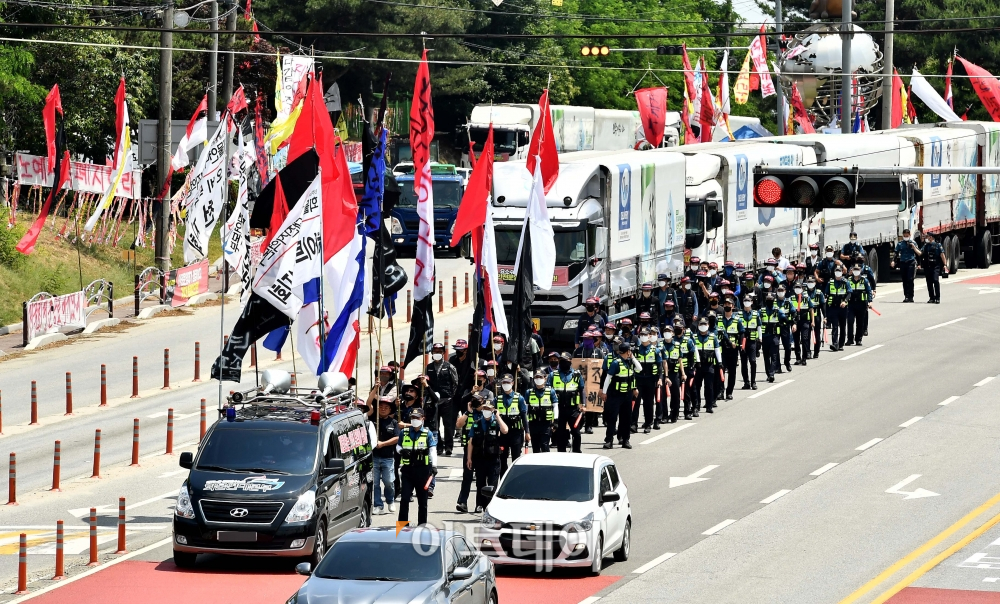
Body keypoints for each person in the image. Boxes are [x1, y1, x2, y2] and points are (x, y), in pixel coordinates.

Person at [396, 407, 437, 526]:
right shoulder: (404, 432)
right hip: (408, 471)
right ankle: (403, 526)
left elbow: (433, 450)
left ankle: (422, 525)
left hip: (422, 471)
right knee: (404, 498)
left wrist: (434, 466)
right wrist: (402, 451)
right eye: (413, 418)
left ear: (422, 419)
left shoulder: (427, 433)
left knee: (422, 501)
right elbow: (398, 446)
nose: (414, 420)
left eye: (417, 418)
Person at [466, 400, 507, 513]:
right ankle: (480, 505)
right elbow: (471, 442)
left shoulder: (496, 423)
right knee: (480, 483)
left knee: (493, 485)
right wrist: (469, 458)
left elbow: (505, 430)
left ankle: (491, 507)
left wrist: (498, 417)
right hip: (480, 459)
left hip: (493, 459)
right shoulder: (476, 423)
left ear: (493, 410)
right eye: (485, 409)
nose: (486, 411)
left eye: (489, 409)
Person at [601, 343, 640, 449]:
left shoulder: (630, 362)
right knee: (612, 418)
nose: (631, 352)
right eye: (630, 351)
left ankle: (625, 440)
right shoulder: (615, 363)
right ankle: (609, 440)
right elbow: (608, 378)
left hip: (627, 394)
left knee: (626, 418)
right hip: (615, 394)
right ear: (627, 351)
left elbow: (639, 368)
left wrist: (633, 358)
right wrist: (604, 392)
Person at [427, 343, 459, 456]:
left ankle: (449, 447)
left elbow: (455, 382)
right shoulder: (428, 367)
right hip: (434, 401)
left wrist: (450, 395)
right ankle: (439, 446)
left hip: (447, 400)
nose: (437, 353)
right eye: (435, 351)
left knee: (448, 425)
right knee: (435, 425)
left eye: (439, 351)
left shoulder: (449, 366)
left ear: (443, 352)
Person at [454, 393, 483, 514]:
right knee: (467, 476)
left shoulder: (485, 414)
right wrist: (467, 412)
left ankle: (480, 504)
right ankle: (462, 502)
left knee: (481, 478)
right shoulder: (468, 414)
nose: (476, 404)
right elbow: (458, 424)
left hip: (482, 449)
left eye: (479, 402)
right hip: (468, 449)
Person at [549, 352, 584, 451]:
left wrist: (584, 404)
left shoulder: (576, 374)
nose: (563, 363)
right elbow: (548, 391)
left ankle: (577, 451)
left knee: (576, 432)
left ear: (570, 361)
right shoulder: (553, 375)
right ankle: (561, 453)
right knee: (560, 433)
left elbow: (581, 390)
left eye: (565, 361)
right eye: (561, 361)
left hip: (573, 409)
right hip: (559, 409)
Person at [496, 374, 529, 476]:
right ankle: (503, 480)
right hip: (502, 434)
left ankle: (515, 479)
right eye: (504, 383)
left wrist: (527, 432)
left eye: (508, 382)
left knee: (516, 459)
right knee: (502, 458)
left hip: (516, 433)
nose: (506, 385)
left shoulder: (519, 398)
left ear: (512, 383)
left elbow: (524, 416)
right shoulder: (498, 399)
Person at [371, 397, 399, 515]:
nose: (383, 409)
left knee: (388, 481)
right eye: (381, 407)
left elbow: (397, 438)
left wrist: (383, 444)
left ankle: (390, 500)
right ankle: (378, 505)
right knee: (375, 483)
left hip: (388, 457)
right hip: (374, 457)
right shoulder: (373, 420)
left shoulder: (393, 423)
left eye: (386, 407)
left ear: (390, 410)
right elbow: (368, 403)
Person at [633, 328, 664, 433]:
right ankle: (633, 424)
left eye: (645, 335)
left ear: (649, 336)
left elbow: (660, 366)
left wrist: (660, 378)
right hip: (638, 379)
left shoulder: (655, 350)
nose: (643, 336)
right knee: (636, 402)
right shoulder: (636, 350)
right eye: (641, 334)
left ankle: (648, 423)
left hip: (651, 379)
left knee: (648, 403)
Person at [717, 297, 743, 399]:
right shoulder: (718, 319)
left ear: (733, 306)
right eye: (725, 304)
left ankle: (729, 392)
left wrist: (740, 345)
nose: (727, 306)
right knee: (721, 370)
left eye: (729, 304)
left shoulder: (737, 320)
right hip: (721, 349)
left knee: (732, 372)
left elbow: (741, 333)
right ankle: (720, 391)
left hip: (733, 349)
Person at [526, 370, 558, 453]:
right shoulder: (529, 392)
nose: (538, 379)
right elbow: (525, 409)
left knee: (545, 445)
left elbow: (555, 406)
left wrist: (555, 421)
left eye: (540, 377)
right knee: (535, 447)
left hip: (546, 423)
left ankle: (546, 464)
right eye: (536, 377)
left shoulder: (550, 391)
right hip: (533, 423)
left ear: (545, 378)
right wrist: (525, 424)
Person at [660, 326, 686, 423]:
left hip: (674, 373)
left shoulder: (677, 345)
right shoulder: (660, 345)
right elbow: (662, 362)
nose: (667, 333)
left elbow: (680, 360)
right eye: (665, 331)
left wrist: (683, 373)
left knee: (675, 395)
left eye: (669, 331)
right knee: (663, 395)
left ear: (673, 333)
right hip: (663, 373)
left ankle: (674, 414)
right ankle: (664, 415)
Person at [826, 266, 853, 351]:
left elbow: (849, 293)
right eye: (836, 271)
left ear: (842, 272)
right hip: (833, 307)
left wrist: (845, 301)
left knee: (842, 326)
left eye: (839, 271)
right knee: (834, 326)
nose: (838, 272)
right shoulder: (830, 283)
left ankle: (841, 344)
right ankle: (835, 344)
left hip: (843, 308)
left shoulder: (845, 282)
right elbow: (826, 293)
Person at [846, 264, 873, 346]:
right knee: (850, 321)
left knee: (860, 322)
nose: (856, 271)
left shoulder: (864, 280)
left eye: (857, 269)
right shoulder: (849, 280)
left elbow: (869, 291)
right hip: (851, 304)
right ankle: (850, 339)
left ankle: (858, 339)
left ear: (860, 270)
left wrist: (870, 301)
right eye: (854, 269)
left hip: (861, 304)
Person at [891, 229, 921, 303]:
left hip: (911, 262)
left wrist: (919, 264)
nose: (905, 237)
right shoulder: (900, 244)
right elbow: (896, 253)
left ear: (910, 235)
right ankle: (906, 296)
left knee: (910, 279)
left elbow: (918, 254)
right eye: (904, 236)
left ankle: (911, 296)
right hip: (903, 262)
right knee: (904, 280)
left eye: (907, 236)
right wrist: (893, 261)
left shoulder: (913, 243)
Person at [739, 295, 761, 390]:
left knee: (753, 361)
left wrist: (760, 339)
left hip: (752, 341)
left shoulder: (756, 314)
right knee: (744, 363)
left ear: (752, 302)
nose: (747, 302)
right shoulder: (739, 314)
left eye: (748, 300)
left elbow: (759, 327)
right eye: (745, 300)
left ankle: (753, 382)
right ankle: (746, 382)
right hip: (743, 341)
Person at [759, 294, 782, 383]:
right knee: (766, 357)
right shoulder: (762, 311)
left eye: (771, 300)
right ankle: (768, 374)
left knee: (774, 356)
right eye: (768, 300)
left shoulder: (777, 310)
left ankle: (772, 374)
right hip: (765, 337)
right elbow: (757, 320)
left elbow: (783, 317)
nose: (769, 301)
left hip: (774, 336)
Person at [920, 231, 947, 303]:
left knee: (935, 280)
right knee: (929, 282)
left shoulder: (938, 245)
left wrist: (945, 265)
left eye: (927, 237)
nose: (926, 238)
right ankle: (931, 297)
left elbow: (942, 255)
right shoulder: (926, 245)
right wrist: (914, 248)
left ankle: (937, 297)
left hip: (935, 266)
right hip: (927, 266)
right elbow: (920, 253)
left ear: (931, 237)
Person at [792, 280, 813, 366]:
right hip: (795, 322)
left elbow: (811, 309)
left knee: (804, 339)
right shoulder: (791, 299)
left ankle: (804, 358)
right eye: (796, 288)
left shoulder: (806, 298)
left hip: (805, 321)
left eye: (799, 288)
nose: (797, 289)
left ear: (802, 289)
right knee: (796, 341)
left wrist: (813, 321)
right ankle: (798, 358)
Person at [775, 285, 795, 374]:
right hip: (775, 327)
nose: (780, 291)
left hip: (785, 327)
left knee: (787, 347)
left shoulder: (788, 302)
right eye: (778, 290)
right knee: (775, 347)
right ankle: (777, 366)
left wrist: (794, 324)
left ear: (785, 291)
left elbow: (794, 313)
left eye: (781, 290)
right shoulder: (773, 302)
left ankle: (787, 362)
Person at [806, 277, 826, 359]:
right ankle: (807, 352)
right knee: (806, 336)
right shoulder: (804, 293)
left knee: (817, 334)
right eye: (809, 282)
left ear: (815, 283)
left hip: (816, 316)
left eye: (812, 282)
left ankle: (816, 351)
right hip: (806, 317)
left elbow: (823, 305)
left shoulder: (819, 293)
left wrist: (825, 317)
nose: (810, 283)